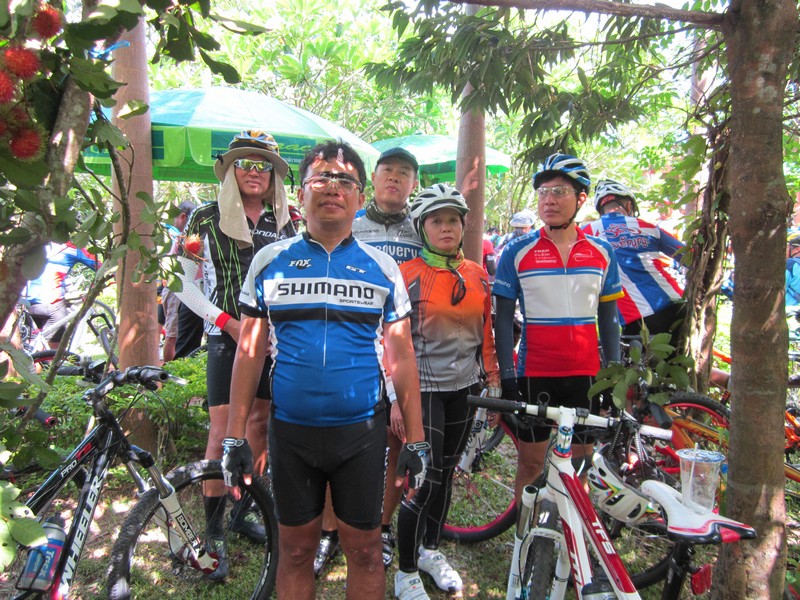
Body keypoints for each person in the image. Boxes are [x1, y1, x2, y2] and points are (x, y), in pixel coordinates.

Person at [221, 140, 428, 600]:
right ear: (300, 193)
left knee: (367, 552)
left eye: (345, 181)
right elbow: (249, 353)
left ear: (360, 197)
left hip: (361, 435)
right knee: (295, 551)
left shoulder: (383, 268)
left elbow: (402, 357)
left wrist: (416, 439)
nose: (333, 187)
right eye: (321, 178)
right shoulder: (269, 261)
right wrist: (234, 435)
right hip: (291, 433)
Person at [170, 130, 297, 580]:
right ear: (231, 170)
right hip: (227, 337)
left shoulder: (287, 221)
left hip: (274, 341)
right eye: (245, 163)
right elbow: (181, 284)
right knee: (223, 431)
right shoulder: (203, 218)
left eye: (264, 165)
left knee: (260, 423)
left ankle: (244, 512)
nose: (254, 172)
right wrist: (228, 323)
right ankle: (213, 533)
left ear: (274, 174)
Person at [314, 146, 423, 575]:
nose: (395, 178)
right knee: (334, 444)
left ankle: (383, 526)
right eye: (387, 171)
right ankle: (328, 530)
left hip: (404, 349)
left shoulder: (423, 228)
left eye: (404, 173)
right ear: (372, 180)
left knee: (398, 441)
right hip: (353, 352)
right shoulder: (348, 222)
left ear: (414, 183)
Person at [493, 154, 623, 502]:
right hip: (535, 374)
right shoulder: (517, 251)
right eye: (543, 192)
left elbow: (609, 319)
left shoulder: (602, 251)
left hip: (586, 376)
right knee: (531, 464)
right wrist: (508, 376)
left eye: (559, 192)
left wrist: (613, 376)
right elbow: (502, 319)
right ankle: (525, 533)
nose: (548, 200)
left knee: (580, 464)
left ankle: (570, 531)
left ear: (581, 199)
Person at [393, 184, 501, 600]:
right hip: (422, 389)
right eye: (436, 221)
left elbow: (486, 332)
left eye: (453, 220)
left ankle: (430, 551)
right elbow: (391, 341)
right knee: (423, 478)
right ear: (422, 227)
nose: (446, 228)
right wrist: (394, 399)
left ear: (463, 225)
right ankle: (405, 572)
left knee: (447, 475)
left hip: (464, 388)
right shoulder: (407, 275)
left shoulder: (477, 273)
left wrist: (493, 378)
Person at [23, 242, 100, 349]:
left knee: (30, 351)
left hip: (27, 304)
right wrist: (94, 290)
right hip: (52, 305)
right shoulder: (72, 247)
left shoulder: (32, 243)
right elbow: (103, 267)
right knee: (51, 354)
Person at [161, 200, 196, 362]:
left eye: (175, 218)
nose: (174, 222)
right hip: (177, 290)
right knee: (173, 335)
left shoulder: (189, 237)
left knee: (177, 335)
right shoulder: (180, 238)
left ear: (182, 217)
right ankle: (169, 370)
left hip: (187, 290)